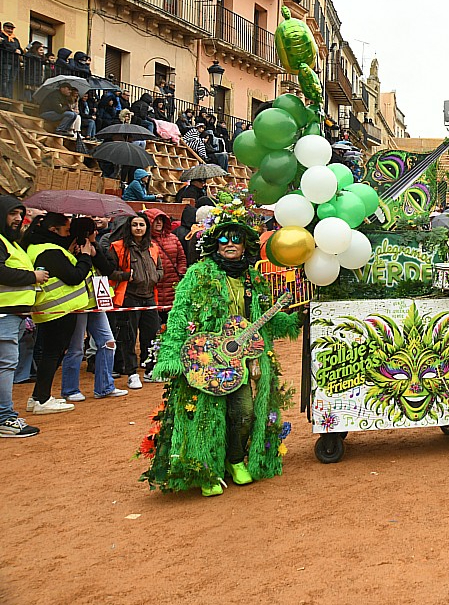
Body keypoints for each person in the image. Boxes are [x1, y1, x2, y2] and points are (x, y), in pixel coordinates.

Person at [140, 195, 296, 495]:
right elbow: (179, 314)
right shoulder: (198, 275)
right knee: (206, 416)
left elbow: (264, 317)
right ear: (215, 243)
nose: (230, 244)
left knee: (244, 413)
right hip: (206, 359)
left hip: (239, 360)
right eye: (224, 238)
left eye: (236, 239)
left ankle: (234, 459)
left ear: (245, 245)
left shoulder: (252, 278)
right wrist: (171, 355)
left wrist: (293, 319)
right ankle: (206, 470)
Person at [23, 212, 95, 415]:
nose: (69, 234)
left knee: (51, 353)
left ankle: (39, 396)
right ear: (53, 230)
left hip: (52, 309)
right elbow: (74, 276)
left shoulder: (39, 248)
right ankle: (42, 399)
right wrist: (85, 256)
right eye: (66, 230)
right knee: (52, 354)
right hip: (58, 309)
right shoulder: (49, 251)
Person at [59, 217, 126, 402]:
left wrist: (95, 254)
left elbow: (109, 269)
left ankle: (105, 386)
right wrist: (83, 256)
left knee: (108, 342)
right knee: (76, 348)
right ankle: (70, 390)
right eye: (92, 230)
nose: (96, 232)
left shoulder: (95, 248)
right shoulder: (67, 250)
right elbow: (75, 274)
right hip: (78, 305)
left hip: (96, 302)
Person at [0, 195, 47, 436]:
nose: (18, 218)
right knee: (5, 365)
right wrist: (32, 277)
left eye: (20, 214)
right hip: (4, 315)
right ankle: (4, 417)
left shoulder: (12, 244)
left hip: (14, 314)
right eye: (12, 213)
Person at [108, 213, 163, 389]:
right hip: (128, 297)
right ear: (129, 227)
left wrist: (156, 276)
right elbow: (109, 271)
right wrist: (126, 276)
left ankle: (150, 369)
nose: (138, 228)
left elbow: (160, 267)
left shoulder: (153, 247)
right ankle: (131, 373)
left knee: (152, 335)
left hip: (149, 296)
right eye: (135, 225)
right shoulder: (118, 247)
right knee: (128, 337)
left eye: (141, 225)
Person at [0, 21, 22, 98]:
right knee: (5, 78)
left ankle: (9, 95)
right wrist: (14, 50)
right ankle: (4, 94)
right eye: (8, 28)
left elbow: (20, 48)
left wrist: (20, 51)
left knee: (12, 80)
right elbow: (4, 46)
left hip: (15, 62)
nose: (10, 30)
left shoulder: (15, 39)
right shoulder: (1, 36)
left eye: (11, 29)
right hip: (5, 60)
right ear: (4, 28)